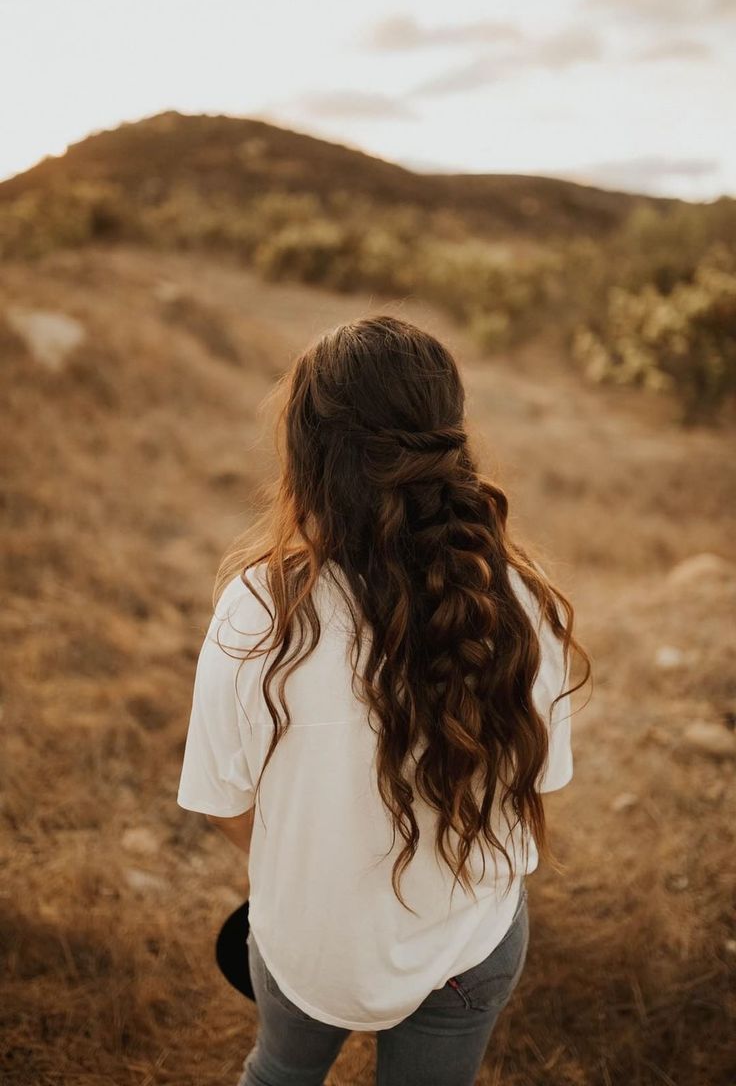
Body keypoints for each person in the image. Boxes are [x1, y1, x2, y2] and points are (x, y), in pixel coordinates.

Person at [177, 315, 591, 1086]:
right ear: (450, 438)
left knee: (276, 1074)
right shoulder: (521, 603)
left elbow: (223, 802)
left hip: (310, 942)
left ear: (309, 452)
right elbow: (542, 783)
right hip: (468, 941)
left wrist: (321, 865)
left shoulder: (258, 610)